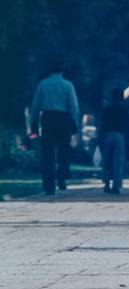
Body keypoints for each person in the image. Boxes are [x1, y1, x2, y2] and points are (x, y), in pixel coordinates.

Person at [29, 58, 79, 195]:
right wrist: (75, 122)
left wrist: (32, 121)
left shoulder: (43, 84)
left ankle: (48, 184)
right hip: (63, 118)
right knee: (64, 151)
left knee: (47, 153)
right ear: (62, 70)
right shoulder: (68, 85)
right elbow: (73, 106)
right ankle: (61, 179)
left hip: (48, 119)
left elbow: (36, 105)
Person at [101, 88, 129, 194]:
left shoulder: (107, 109)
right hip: (119, 135)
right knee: (118, 162)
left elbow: (103, 124)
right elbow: (128, 124)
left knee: (107, 160)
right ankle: (116, 186)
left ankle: (106, 183)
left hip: (108, 135)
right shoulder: (124, 109)